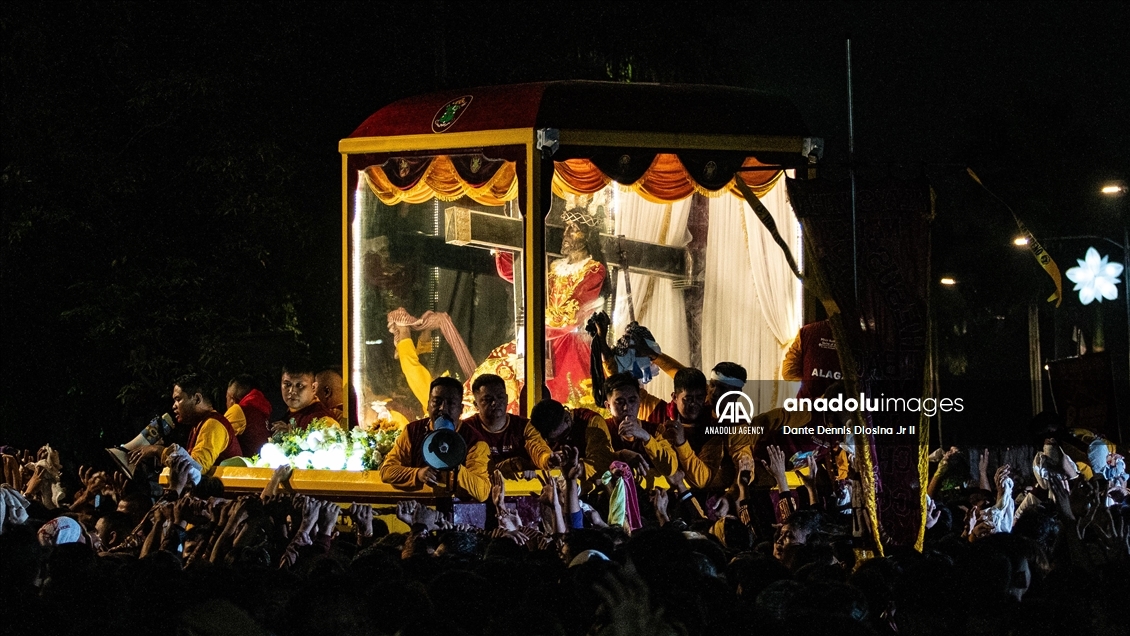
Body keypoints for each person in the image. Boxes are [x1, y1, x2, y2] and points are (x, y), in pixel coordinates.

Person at [493, 194, 609, 403]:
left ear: (588, 235)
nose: (566, 233)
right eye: (566, 227)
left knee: (565, 395)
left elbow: (573, 311)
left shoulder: (593, 270)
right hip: (541, 335)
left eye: (573, 229)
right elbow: (519, 275)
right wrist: (504, 239)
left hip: (570, 342)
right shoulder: (554, 266)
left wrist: (535, 320)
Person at [379, 377, 491, 502]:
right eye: (436, 402)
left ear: (461, 409)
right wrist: (418, 474)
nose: (442, 408)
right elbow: (386, 471)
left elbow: (482, 492)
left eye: (451, 403)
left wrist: (456, 467)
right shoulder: (412, 431)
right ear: (427, 405)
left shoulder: (474, 440)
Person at [659, 368, 754, 491]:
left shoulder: (731, 422)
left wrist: (731, 497)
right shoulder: (663, 417)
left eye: (699, 398)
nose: (715, 393)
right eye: (713, 386)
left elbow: (702, 480)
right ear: (674, 397)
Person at [130, 374, 242, 473]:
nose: (174, 406)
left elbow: (195, 468)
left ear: (197, 398)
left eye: (178, 399)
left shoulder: (213, 424)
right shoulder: (200, 424)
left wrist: (157, 450)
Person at [462, 374, 558, 478]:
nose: (495, 402)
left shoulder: (524, 426)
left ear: (507, 398)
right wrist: (501, 468)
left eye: (500, 397)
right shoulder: (466, 429)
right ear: (476, 404)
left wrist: (548, 460)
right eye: (487, 399)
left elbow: (538, 448)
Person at [602, 372, 675, 481]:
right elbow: (597, 461)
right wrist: (620, 456)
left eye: (632, 401)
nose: (627, 407)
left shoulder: (655, 430)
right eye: (620, 402)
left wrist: (646, 437)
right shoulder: (602, 429)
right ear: (608, 406)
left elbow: (670, 468)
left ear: (639, 402)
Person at [530, 398, 616, 480]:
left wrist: (577, 468)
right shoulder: (540, 429)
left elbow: (601, 462)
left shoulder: (592, 422)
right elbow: (537, 451)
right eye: (552, 440)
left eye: (562, 436)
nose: (558, 443)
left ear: (567, 418)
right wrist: (548, 460)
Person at [781, 319, 841, 400]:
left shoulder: (807, 331)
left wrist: (811, 374)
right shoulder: (860, 338)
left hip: (806, 407)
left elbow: (788, 372)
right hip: (845, 408)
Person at [272, 363, 340, 432]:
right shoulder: (287, 414)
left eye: (299, 385)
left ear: (314, 388)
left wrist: (291, 437)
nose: (292, 391)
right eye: (287, 384)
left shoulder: (323, 421)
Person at [224, 374, 273, 456]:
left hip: (246, 467)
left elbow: (215, 438)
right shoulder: (262, 412)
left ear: (232, 399)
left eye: (227, 398)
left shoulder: (239, 410)